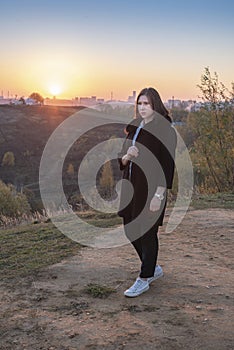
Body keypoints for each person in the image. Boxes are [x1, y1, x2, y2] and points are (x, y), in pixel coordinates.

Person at [118, 87, 177, 297]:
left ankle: (144, 278)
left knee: (147, 232)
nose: (143, 108)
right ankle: (151, 268)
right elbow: (121, 161)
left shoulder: (165, 130)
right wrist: (127, 154)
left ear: (156, 105)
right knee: (129, 229)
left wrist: (159, 195)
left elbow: (167, 165)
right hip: (131, 187)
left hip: (152, 189)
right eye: (140, 104)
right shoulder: (134, 127)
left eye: (147, 104)